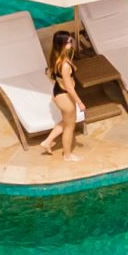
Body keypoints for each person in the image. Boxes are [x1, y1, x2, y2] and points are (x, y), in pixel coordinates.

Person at [46, 29, 83, 159]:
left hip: (58, 92)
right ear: (61, 44)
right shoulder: (65, 65)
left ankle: (47, 141)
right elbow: (69, 87)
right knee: (69, 127)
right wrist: (79, 102)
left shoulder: (56, 57)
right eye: (68, 42)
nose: (71, 43)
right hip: (64, 95)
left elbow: (49, 74)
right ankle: (67, 155)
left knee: (67, 122)